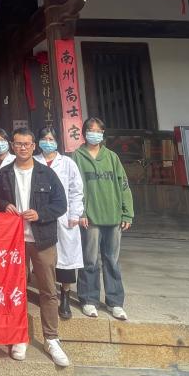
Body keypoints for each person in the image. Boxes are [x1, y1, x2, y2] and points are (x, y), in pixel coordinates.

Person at [0, 127, 70, 366]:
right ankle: (19, 336)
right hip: (15, 241)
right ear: (12, 146)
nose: (22, 147)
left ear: (33, 146)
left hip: (42, 239)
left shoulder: (46, 173)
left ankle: (51, 338)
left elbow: (61, 204)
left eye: (27, 144)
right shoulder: (5, 173)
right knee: (17, 290)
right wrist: (4, 205)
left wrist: (40, 214)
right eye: (18, 144)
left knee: (48, 290)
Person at [72, 117, 134, 321]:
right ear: (84, 133)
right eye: (91, 130)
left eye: (99, 131)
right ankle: (88, 299)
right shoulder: (77, 157)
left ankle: (115, 302)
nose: (95, 134)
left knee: (112, 260)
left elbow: (123, 185)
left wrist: (127, 212)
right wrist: (80, 213)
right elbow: (74, 187)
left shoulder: (112, 157)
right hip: (90, 218)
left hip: (113, 217)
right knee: (90, 260)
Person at [34, 127, 85, 321]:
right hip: (41, 217)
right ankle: (48, 294)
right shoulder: (34, 161)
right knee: (44, 260)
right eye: (44, 138)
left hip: (64, 217)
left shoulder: (68, 163)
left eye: (51, 139)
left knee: (66, 258)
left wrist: (75, 214)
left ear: (57, 142)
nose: (47, 142)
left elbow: (76, 190)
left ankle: (65, 295)